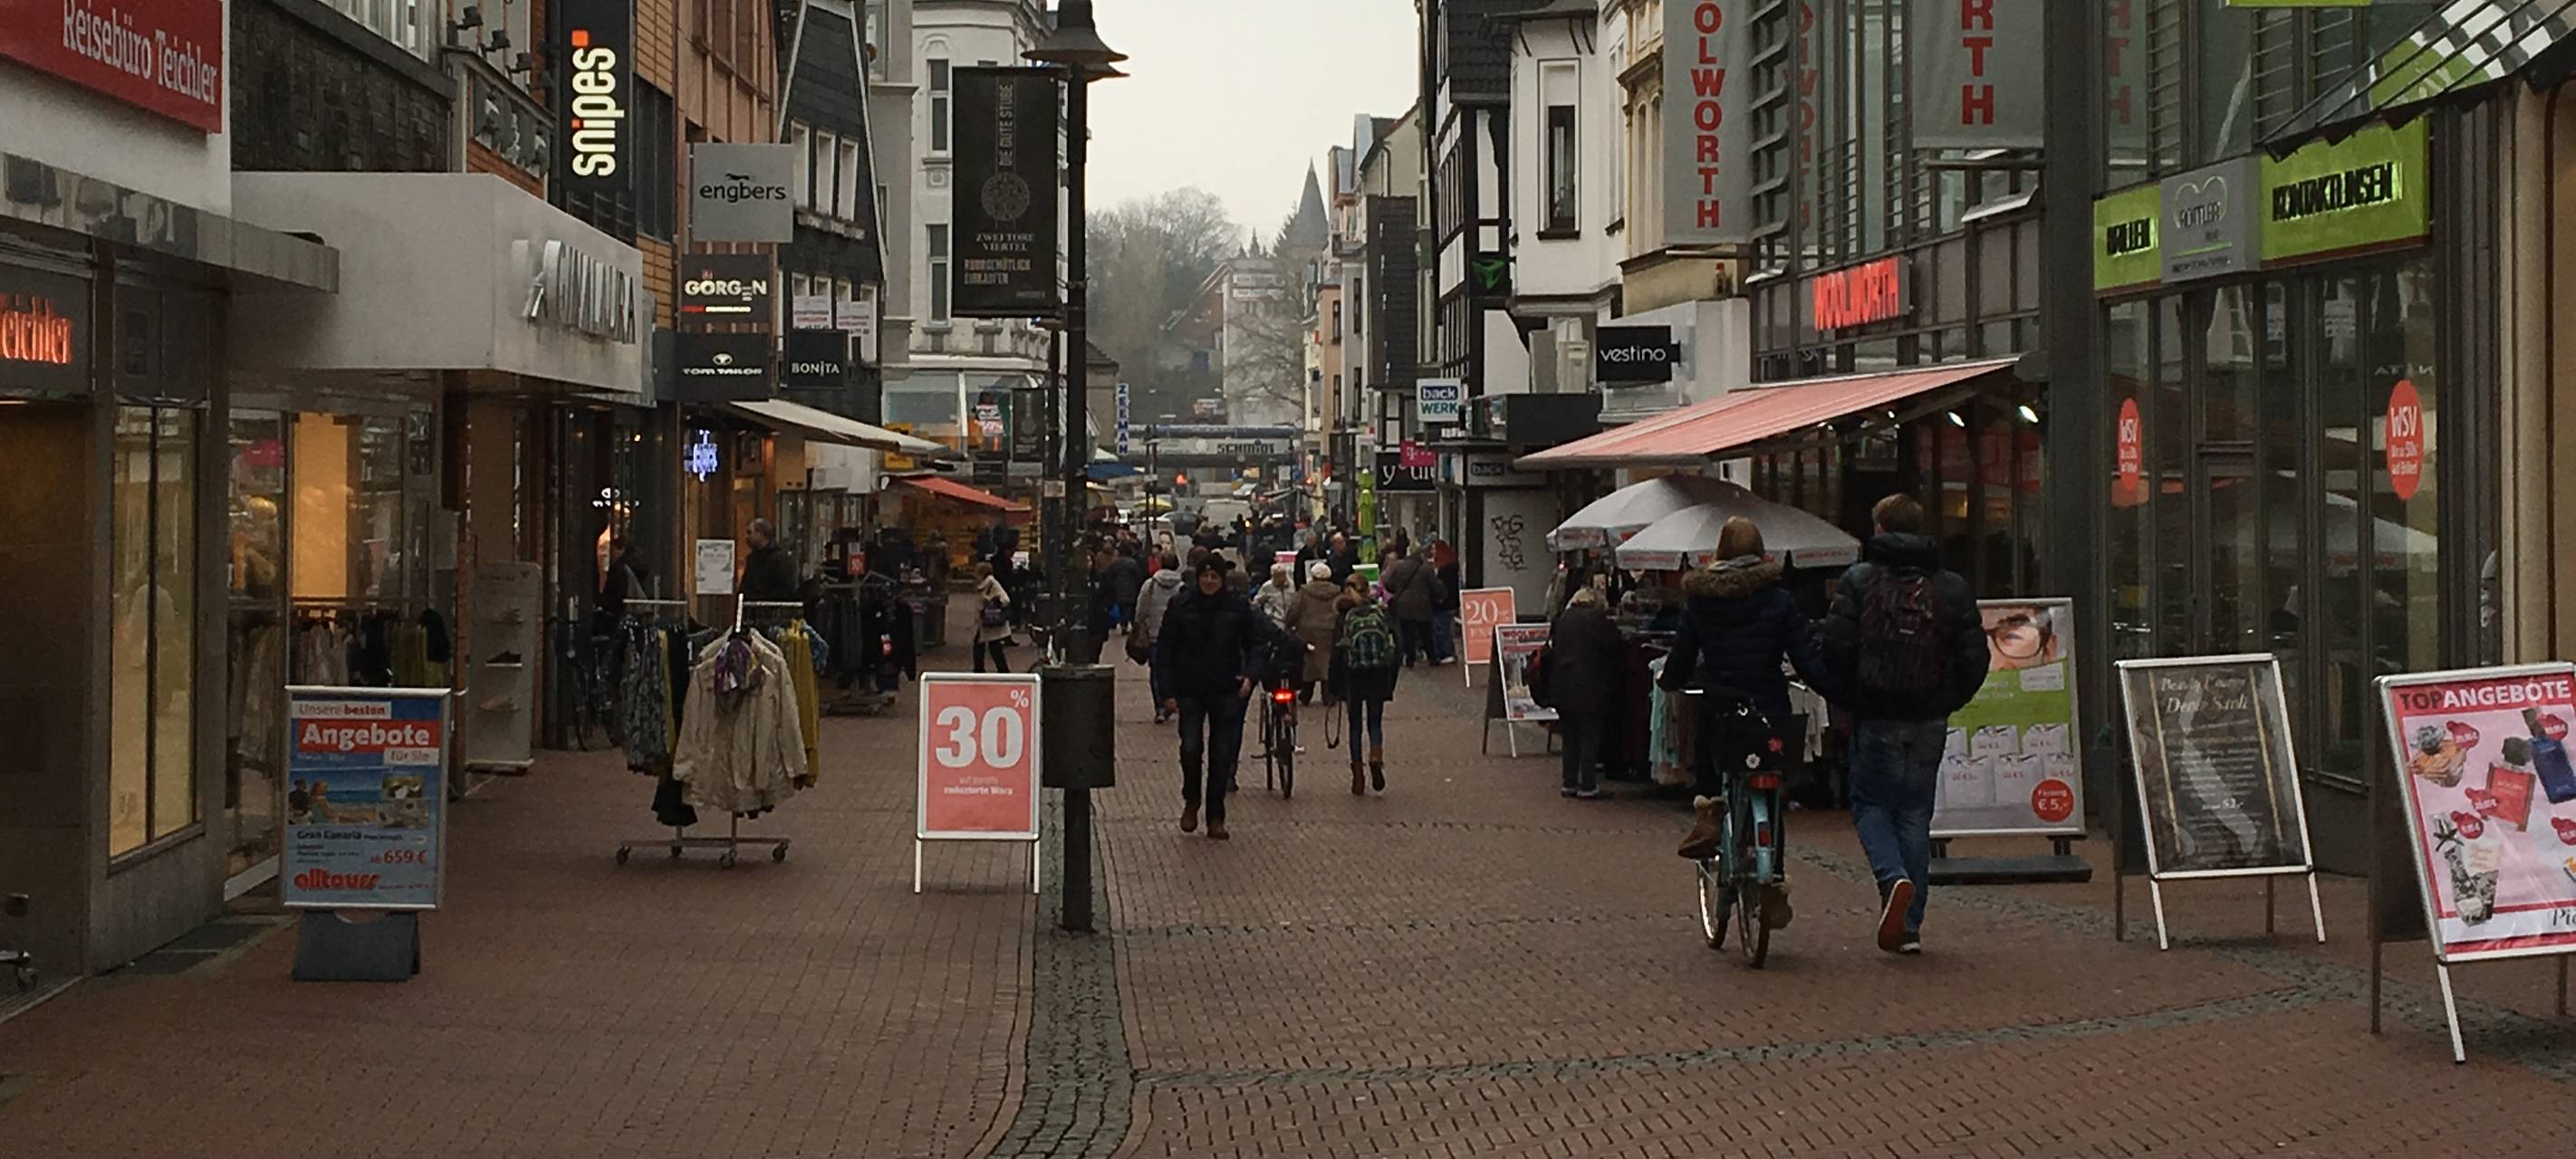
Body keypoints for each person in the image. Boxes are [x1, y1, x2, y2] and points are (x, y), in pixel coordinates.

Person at [1821, 494, 1990, 956]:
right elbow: (1975, 657)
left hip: (1876, 715)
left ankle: (1893, 878)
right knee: (1915, 813)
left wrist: (1851, 698)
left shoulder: (1859, 580)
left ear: (1879, 528)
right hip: (1928, 717)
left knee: (1870, 804)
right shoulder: (1951, 586)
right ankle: (1910, 926)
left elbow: (1835, 648)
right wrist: (1947, 700)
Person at [1659, 518, 1845, 931]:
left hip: (1722, 707)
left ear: (1720, 552)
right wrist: (1838, 691)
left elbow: (1682, 657)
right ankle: (1773, 883)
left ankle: (1709, 814)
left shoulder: (1702, 600)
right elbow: (1807, 658)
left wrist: (1669, 682)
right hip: (1768, 709)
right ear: (1762, 553)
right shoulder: (1779, 601)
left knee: (1714, 764)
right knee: (1771, 792)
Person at [1152, 557, 1287, 840]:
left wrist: (1250, 677)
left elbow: (1257, 644)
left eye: (1215, 576)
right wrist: (1167, 693)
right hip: (1189, 687)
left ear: (1222, 579)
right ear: (1198, 577)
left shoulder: (1236, 607)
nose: (1209, 581)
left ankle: (1216, 816)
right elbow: (1164, 649)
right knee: (1190, 748)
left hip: (1226, 688)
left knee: (1221, 754)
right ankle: (1192, 799)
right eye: (1205, 575)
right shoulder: (1181, 605)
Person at [1547, 588, 1627, 800]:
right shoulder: (1597, 620)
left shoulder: (1562, 619)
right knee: (1589, 735)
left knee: (1570, 736)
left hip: (1562, 685)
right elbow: (1616, 645)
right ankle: (1588, 784)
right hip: (1590, 686)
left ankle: (1569, 782)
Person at [1331, 578, 1402, 795]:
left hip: (1353, 676)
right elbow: (1396, 645)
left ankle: (1358, 776)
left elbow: (1336, 653)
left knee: (1354, 726)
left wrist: (1333, 685)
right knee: (1375, 722)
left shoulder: (1344, 615)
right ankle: (1375, 758)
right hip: (1378, 674)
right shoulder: (1380, 613)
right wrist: (1391, 678)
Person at [1134, 551, 1188, 723]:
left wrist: (1139, 623)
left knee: (1156, 671)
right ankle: (1173, 700)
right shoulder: (1182, 586)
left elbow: (1141, 609)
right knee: (1177, 669)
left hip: (1154, 634)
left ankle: (1160, 706)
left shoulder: (1150, 585)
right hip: (1177, 636)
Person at [1283, 560, 1341, 702]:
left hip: (1307, 630)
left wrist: (1288, 623)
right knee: (1327, 661)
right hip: (1330, 630)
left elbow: (1294, 610)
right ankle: (1328, 694)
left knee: (1309, 662)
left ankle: (1306, 693)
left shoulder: (1304, 592)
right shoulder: (1337, 592)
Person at [1379, 543, 1443, 668]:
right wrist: (1441, 594)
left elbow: (1387, 582)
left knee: (1407, 632)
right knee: (1426, 632)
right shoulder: (1426, 568)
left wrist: (1396, 591)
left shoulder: (1398, 566)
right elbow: (1435, 585)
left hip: (1403, 604)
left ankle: (1410, 659)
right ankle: (1432, 658)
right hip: (1422, 604)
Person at [740, 519, 800, 602]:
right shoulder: (752, 559)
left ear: (760, 533)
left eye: (750, 533)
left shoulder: (780, 559)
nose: (747, 537)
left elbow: (786, 589)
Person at [971, 561, 1012, 673]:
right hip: (986, 621)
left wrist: (990, 600)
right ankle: (1000, 670)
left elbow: (1005, 600)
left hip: (990, 621)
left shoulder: (992, 584)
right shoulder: (985, 584)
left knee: (988, 646)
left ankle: (980, 669)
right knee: (992, 646)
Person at [1253, 561, 1298, 627]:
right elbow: (1257, 602)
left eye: (1282, 575)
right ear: (1272, 576)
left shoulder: (1293, 585)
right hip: (1274, 620)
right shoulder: (1267, 587)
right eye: (1277, 576)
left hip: (1290, 621)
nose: (1281, 579)